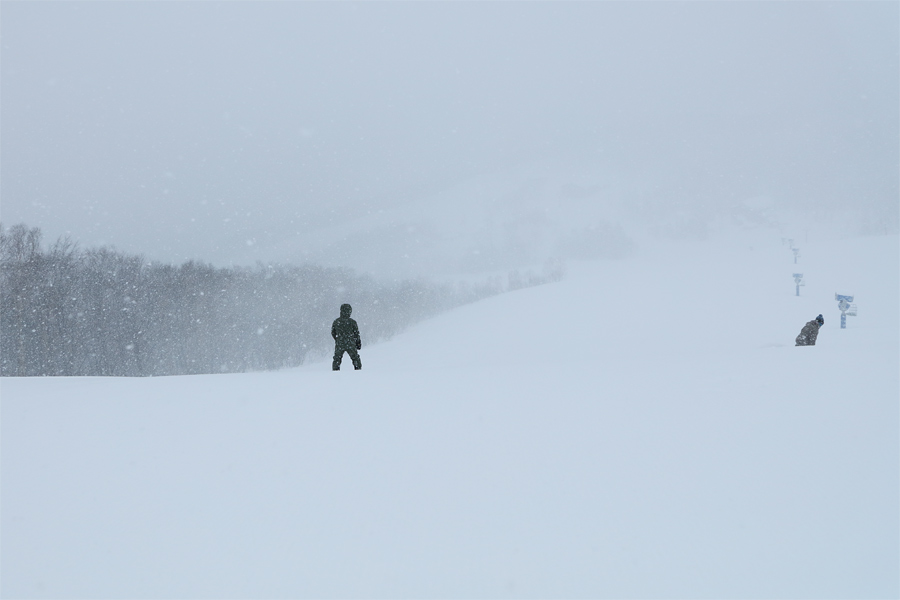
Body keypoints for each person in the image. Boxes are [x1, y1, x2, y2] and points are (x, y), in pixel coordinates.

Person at [331, 303, 362, 370]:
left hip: (340, 343)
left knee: (337, 358)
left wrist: (338, 339)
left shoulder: (336, 321)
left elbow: (333, 332)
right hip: (350, 343)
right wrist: (358, 342)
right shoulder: (352, 322)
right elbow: (356, 333)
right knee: (355, 358)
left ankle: (335, 372)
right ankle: (358, 371)